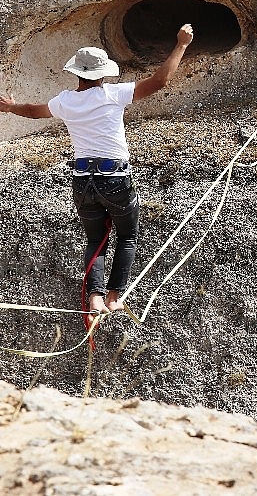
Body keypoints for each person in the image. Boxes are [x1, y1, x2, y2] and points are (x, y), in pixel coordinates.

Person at [0, 24, 194, 314]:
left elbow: (32, 110)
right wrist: (181, 45)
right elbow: (160, 81)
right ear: (102, 74)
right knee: (127, 236)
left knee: (95, 239)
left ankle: (95, 298)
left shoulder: (64, 101)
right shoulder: (112, 95)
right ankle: (115, 296)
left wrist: (9, 107)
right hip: (113, 176)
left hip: (82, 180)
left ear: (77, 72)